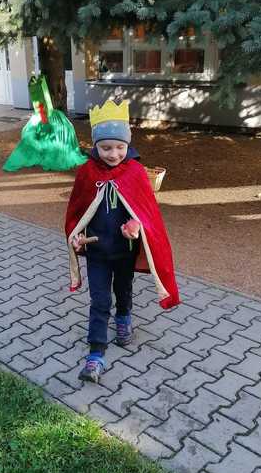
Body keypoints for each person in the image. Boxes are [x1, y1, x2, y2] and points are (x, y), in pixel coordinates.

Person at [65, 99, 180, 383]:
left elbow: (146, 213)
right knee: (99, 300)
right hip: (97, 252)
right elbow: (77, 211)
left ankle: (124, 318)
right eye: (106, 148)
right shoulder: (87, 173)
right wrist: (76, 237)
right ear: (95, 146)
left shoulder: (136, 172)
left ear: (128, 144)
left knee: (124, 290)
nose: (114, 154)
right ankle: (95, 355)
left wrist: (136, 226)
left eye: (119, 147)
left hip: (124, 252)